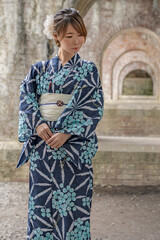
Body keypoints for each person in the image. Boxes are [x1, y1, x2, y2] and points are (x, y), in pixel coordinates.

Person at [17, 7, 104, 240]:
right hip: (44, 150)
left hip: (74, 151)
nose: (77, 41)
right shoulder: (39, 70)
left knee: (74, 210)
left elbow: (92, 104)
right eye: (69, 36)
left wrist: (67, 131)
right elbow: (26, 97)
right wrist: (37, 124)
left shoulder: (88, 70)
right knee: (41, 208)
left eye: (80, 34)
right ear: (56, 37)